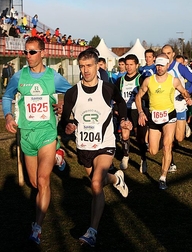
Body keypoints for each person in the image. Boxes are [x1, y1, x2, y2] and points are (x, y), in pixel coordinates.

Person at [2, 36, 72, 245]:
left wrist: (63, 105)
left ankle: (37, 227)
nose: (28, 56)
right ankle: (59, 155)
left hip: (47, 134)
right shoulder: (19, 76)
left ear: (43, 53)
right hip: (27, 136)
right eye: (26, 52)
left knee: (43, 181)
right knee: (34, 182)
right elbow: (7, 96)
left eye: (32, 52)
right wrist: (8, 115)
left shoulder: (53, 77)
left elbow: (72, 93)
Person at [60, 49, 131, 247]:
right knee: (97, 181)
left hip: (106, 143)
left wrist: (124, 119)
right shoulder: (72, 93)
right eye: (82, 67)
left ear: (97, 65)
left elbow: (121, 103)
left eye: (89, 66)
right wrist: (67, 126)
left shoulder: (107, 88)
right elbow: (65, 120)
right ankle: (117, 177)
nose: (85, 70)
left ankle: (92, 231)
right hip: (84, 146)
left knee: (96, 184)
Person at [135, 54, 192, 189]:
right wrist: (141, 112)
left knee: (167, 146)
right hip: (154, 116)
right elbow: (138, 96)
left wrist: (188, 98)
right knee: (153, 151)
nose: (160, 68)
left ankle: (163, 177)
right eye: (158, 65)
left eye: (162, 65)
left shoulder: (174, 80)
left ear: (168, 65)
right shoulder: (149, 80)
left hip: (170, 116)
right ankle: (163, 138)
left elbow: (184, 91)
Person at [162, 44, 192, 172]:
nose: (166, 55)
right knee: (168, 138)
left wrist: (187, 93)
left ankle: (185, 126)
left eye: (168, 53)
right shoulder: (159, 68)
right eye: (164, 53)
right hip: (166, 107)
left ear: (173, 54)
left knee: (179, 138)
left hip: (180, 105)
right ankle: (171, 162)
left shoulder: (179, 67)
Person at [115, 54, 148, 173]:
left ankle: (143, 159)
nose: (128, 67)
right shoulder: (120, 80)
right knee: (124, 135)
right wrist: (116, 107)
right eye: (127, 64)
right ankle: (125, 155)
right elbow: (117, 97)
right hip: (125, 110)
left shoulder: (141, 79)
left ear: (137, 65)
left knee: (140, 138)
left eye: (131, 65)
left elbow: (147, 96)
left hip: (137, 111)